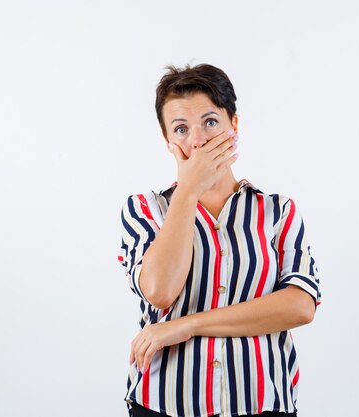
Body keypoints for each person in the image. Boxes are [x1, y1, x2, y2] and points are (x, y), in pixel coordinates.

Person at [117, 63, 321, 417]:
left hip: (260, 404)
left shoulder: (277, 211)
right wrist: (189, 191)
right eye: (181, 129)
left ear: (234, 125)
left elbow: (301, 306)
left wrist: (186, 324)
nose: (198, 140)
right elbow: (160, 291)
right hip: (165, 405)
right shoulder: (146, 210)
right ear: (167, 141)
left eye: (210, 122)